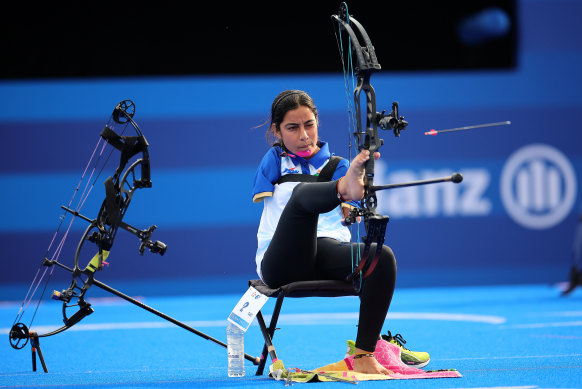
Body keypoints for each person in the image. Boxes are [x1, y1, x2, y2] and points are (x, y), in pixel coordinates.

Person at [252, 90, 428, 374]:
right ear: (277, 131)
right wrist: (341, 191)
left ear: (318, 122)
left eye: (309, 124)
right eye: (292, 128)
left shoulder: (339, 166)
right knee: (302, 196)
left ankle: (364, 356)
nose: (303, 135)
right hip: (281, 261)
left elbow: (351, 210)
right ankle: (340, 189)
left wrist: (351, 205)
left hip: (326, 253)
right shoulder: (274, 160)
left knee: (381, 257)